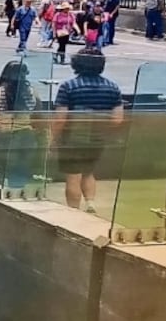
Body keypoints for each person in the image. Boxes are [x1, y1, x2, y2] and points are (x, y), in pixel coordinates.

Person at [52, 47, 123, 213]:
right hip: (97, 139)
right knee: (89, 172)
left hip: (72, 139)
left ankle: (73, 211)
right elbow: (117, 119)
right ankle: (90, 203)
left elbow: (60, 119)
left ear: (77, 63)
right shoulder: (112, 87)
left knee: (73, 175)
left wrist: (53, 139)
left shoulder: (69, 86)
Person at [0, 61, 40, 194]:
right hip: (25, 138)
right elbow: (38, 118)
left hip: (1, 138)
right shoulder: (32, 92)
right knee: (19, 176)